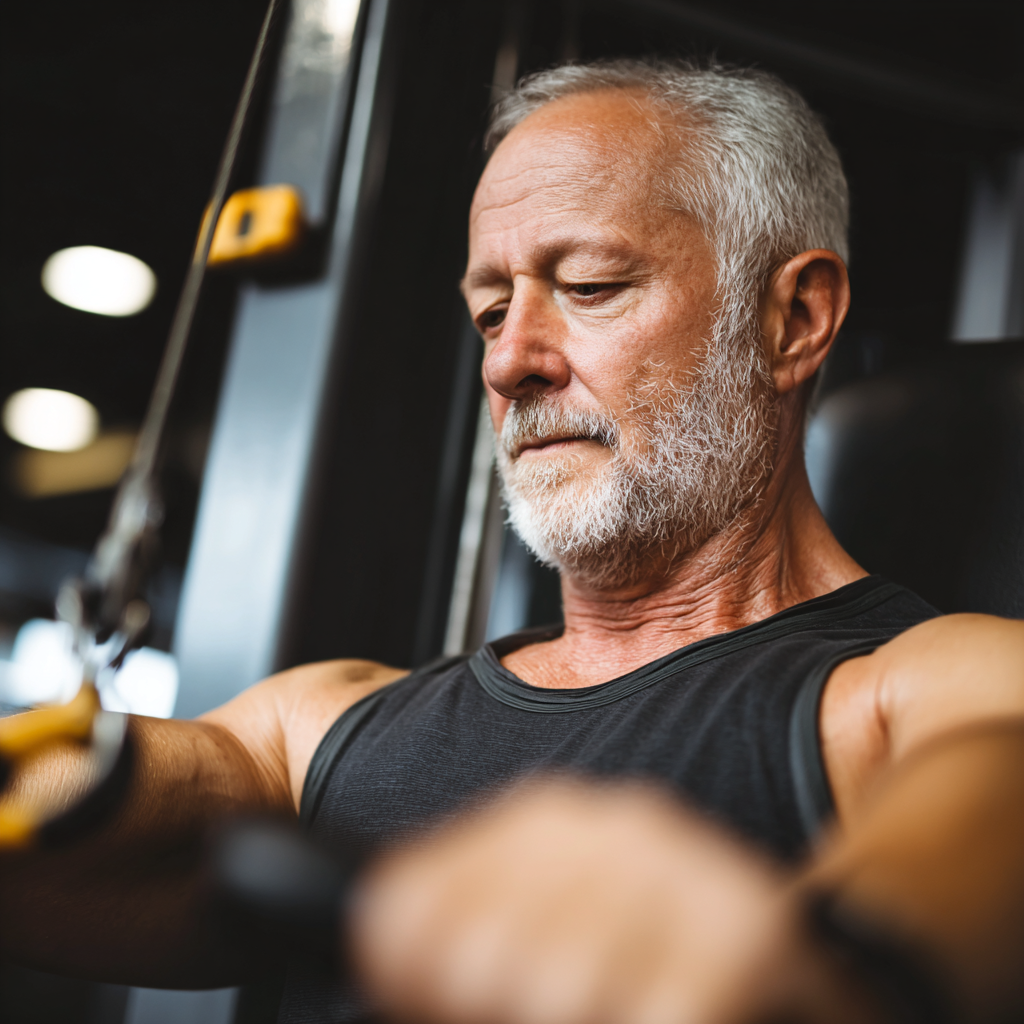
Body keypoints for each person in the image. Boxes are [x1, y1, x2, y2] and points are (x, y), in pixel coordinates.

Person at [1, 59, 1022, 1024]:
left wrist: (818, 971)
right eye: (491, 313)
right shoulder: (318, 729)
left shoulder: (918, 689)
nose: (509, 364)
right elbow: (74, 811)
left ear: (792, 318)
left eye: (587, 287)